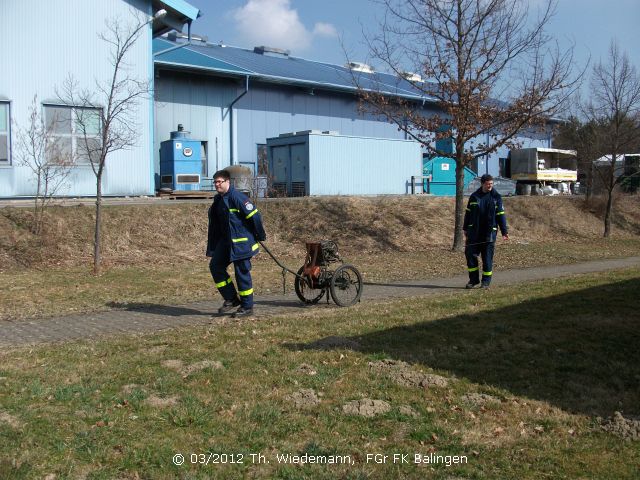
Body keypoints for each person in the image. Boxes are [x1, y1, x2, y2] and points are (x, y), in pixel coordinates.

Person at [207, 170, 266, 317]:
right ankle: (231, 298)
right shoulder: (219, 200)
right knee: (216, 266)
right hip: (226, 243)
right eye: (215, 182)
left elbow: (255, 216)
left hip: (241, 244)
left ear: (228, 182)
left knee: (242, 274)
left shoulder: (237, 197)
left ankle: (247, 307)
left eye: (219, 182)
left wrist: (259, 235)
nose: (217, 185)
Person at [463, 174, 509, 289]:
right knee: (470, 256)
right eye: (488, 184)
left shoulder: (496, 197)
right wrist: (465, 228)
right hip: (474, 233)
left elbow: (501, 215)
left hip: (489, 234)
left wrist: (504, 231)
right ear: (482, 184)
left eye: (491, 184)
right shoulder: (474, 197)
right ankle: (473, 280)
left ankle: (486, 282)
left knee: (487, 259)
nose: (490, 186)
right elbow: (468, 213)